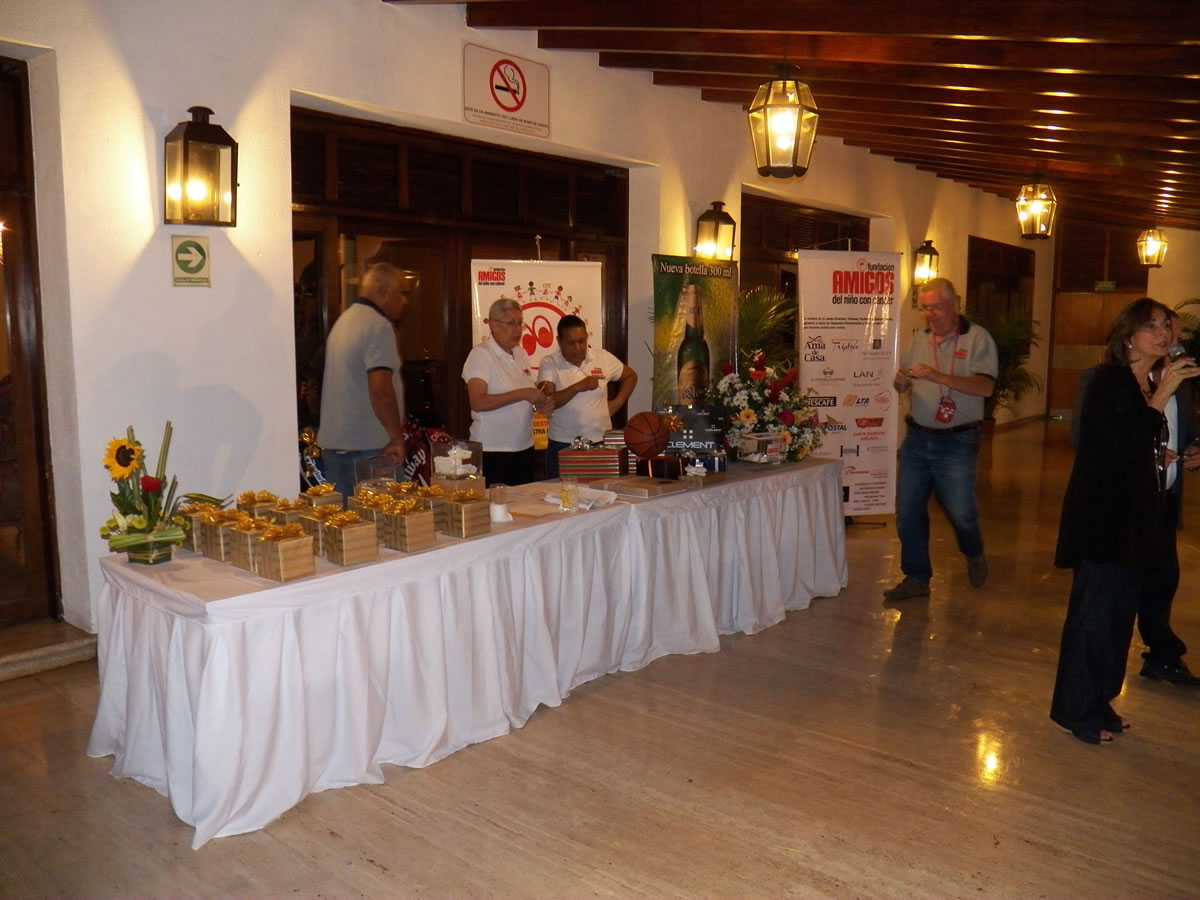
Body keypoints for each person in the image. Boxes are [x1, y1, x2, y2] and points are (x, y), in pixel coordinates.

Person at [1051, 298, 1200, 743]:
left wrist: (1164, 453)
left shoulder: (1143, 385)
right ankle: (1077, 711)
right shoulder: (1108, 380)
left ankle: (1101, 702)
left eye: (1166, 326)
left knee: (1118, 621)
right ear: (1128, 336)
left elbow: (1135, 445)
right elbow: (1104, 446)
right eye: (1151, 326)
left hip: (1136, 518)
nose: (1164, 333)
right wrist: (1163, 392)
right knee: (1093, 620)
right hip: (1103, 521)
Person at [885, 277, 998, 602]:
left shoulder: (977, 339)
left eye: (936, 307)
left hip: (957, 442)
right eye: (925, 308)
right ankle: (916, 577)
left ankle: (974, 552)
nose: (930, 314)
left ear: (955, 304)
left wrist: (938, 376)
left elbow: (985, 387)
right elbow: (903, 384)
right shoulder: (919, 340)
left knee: (961, 513)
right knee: (908, 510)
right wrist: (901, 381)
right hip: (918, 439)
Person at [317, 261, 410, 498]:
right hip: (371, 449)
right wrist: (396, 437)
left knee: (347, 520)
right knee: (386, 519)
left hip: (335, 447)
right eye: (402, 293)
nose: (405, 301)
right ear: (384, 291)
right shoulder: (378, 326)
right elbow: (380, 389)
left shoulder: (343, 322)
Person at [463, 297, 554, 485]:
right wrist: (522, 393)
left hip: (525, 446)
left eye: (520, 323)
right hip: (493, 450)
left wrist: (541, 405)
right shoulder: (481, 354)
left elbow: (527, 401)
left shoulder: (520, 353)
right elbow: (478, 402)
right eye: (511, 323)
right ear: (494, 325)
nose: (517, 329)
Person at [537, 314, 638, 477]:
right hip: (563, 444)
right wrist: (578, 387)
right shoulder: (549, 362)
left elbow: (630, 376)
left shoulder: (602, 357)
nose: (578, 348)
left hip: (600, 441)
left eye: (582, 341)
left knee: (602, 489)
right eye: (571, 343)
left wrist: (617, 403)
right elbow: (548, 401)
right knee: (562, 491)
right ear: (559, 341)